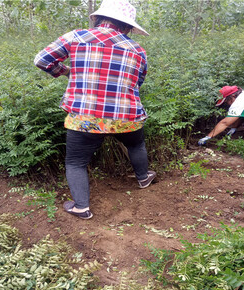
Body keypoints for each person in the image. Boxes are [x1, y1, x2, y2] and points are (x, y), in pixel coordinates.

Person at [34, 0, 156, 220]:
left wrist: (66, 71)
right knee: (136, 144)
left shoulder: (77, 37)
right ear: (127, 26)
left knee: (75, 162)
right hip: (125, 116)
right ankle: (143, 177)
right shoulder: (138, 50)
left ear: (99, 18)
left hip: (85, 117)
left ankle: (81, 206)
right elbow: (138, 82)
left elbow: (42, 60)